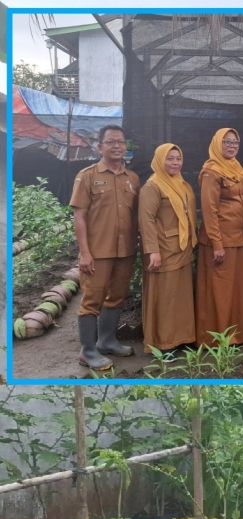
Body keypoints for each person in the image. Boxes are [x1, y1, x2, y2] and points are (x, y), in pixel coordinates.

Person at [69, 124, 140, 370]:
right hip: (98, 252)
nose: (117, 146)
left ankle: (107, 340)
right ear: (100, 147)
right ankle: (87, 351)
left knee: (117, 296)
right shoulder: (87, 176)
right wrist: (85, 253)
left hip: (125, 251)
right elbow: (79, 216)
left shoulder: (132, 179)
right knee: (92, 299)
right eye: (111, 142)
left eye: (121, 142)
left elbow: (135, 217)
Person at [137, 142, 197, 359]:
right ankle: (163, 344)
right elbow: (146, 219)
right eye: (169, 158)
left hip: (181, 248)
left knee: (180, 297)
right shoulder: (153, 186)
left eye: (178, 158)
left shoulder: (181, 183)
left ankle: (181, 338)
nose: (175, 162)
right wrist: (152, 250)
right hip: (163, 250)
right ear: (159, 160)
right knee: (165, 297)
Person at [195, 127, 243, 346]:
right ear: (217, 144)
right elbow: (209, 211)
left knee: (236, 291)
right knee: (220, 292)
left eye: (235, 142)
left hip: (238, 239)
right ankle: (215, 339)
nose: (231, 146)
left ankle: (235, 336)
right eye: (227, 142)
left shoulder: (236, 167)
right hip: (220, 243)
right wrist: (217, 243)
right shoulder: (211, 171)